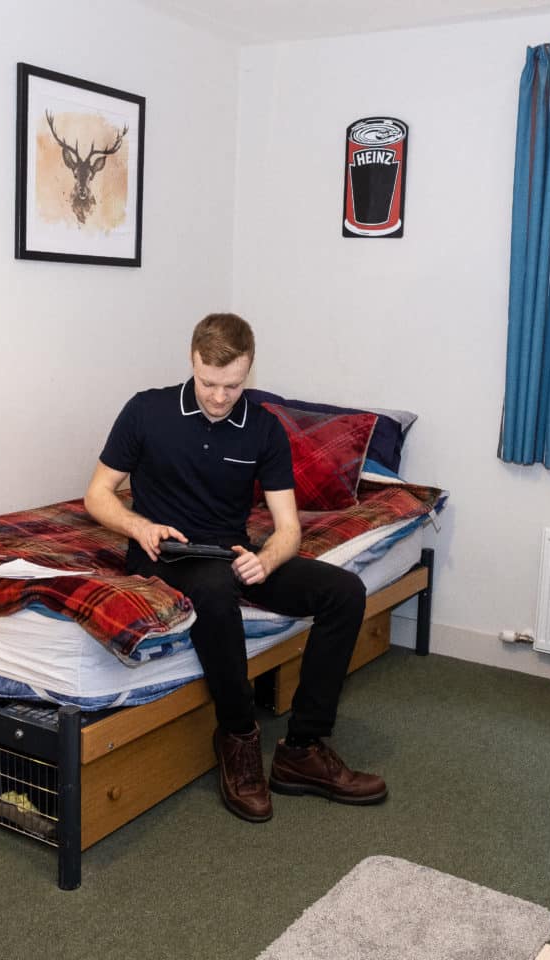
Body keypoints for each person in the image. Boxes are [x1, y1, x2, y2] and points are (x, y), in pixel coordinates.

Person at [84, 313, 386, 823]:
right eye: (209, 383)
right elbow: (98, 495)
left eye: (233, 385)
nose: (221, 396)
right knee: (213, 592)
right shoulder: (145, 410)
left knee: (344, 592)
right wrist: (139, 527)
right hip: (163, 553)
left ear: (248, 371)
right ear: (192, 359)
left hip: (232, 552)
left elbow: (288, 528)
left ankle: (302, 750)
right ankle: (239, 735)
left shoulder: (264, 428)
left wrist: (265, 559)